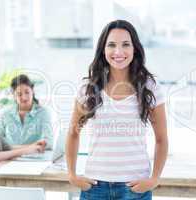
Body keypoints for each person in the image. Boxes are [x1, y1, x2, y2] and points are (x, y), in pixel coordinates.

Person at [66, 19, 168, 200]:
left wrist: (154, 179)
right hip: (95, 188)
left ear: (134, 48)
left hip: (135, 188)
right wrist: (72, 175)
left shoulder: (150, 86)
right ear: (103, 50)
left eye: (126, 45)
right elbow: (73, 133)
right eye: (111, 45)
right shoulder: (88, 88)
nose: (118, 52)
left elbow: (161, 139)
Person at [0, 74, 53, 149]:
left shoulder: (43, 113)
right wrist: (32, 147)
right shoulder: (5, 114)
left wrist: (15, 148)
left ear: (32, 91)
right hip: (10, 157)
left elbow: (49, 142)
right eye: (19, 94)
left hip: (35, 157)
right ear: (14, 95)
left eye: (27, 92)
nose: (24, 97)